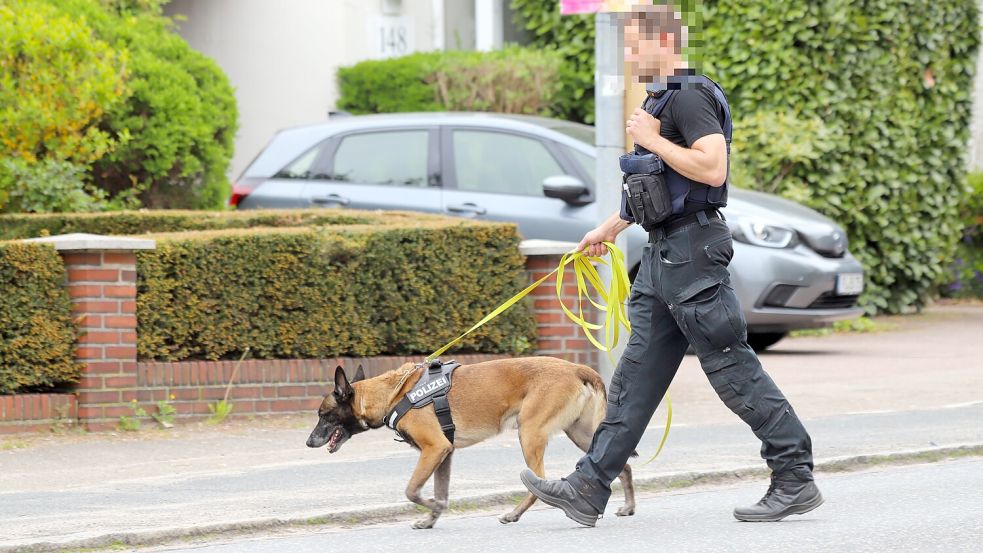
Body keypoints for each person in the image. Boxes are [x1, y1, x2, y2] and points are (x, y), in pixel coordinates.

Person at [520, 4, 823, 526]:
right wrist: (609, 229)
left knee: (730, 367)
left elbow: (712, 166)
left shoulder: (688, 95)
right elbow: (657, 184)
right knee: (634, 379)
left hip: (693, 254)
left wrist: (653, 137)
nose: (631, 56)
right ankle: (589, 487)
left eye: (637, 44)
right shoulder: (660, 99)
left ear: (666, 43)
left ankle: (794, 475)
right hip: (662, 257)